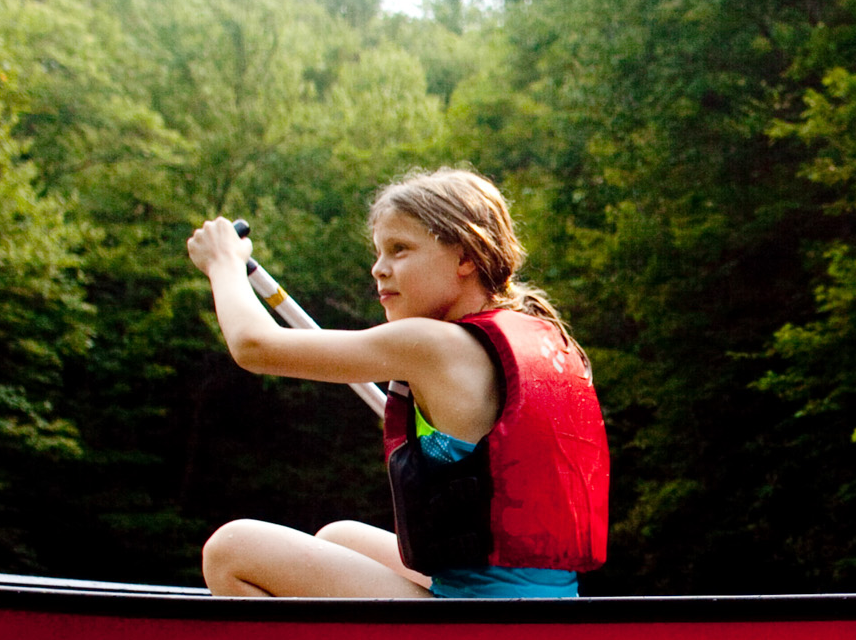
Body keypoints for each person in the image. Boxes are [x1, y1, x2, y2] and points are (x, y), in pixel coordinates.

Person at [185, 169, 609, 598]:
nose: (378, 269)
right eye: (378, 252)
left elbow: (254, 346)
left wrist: (224, 263)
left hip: (483, 616)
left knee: (230, 549)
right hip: (541, 600)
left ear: (465, 258)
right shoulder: (542, 335)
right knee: (340, 536)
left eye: (399, 250)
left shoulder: (432, 343)